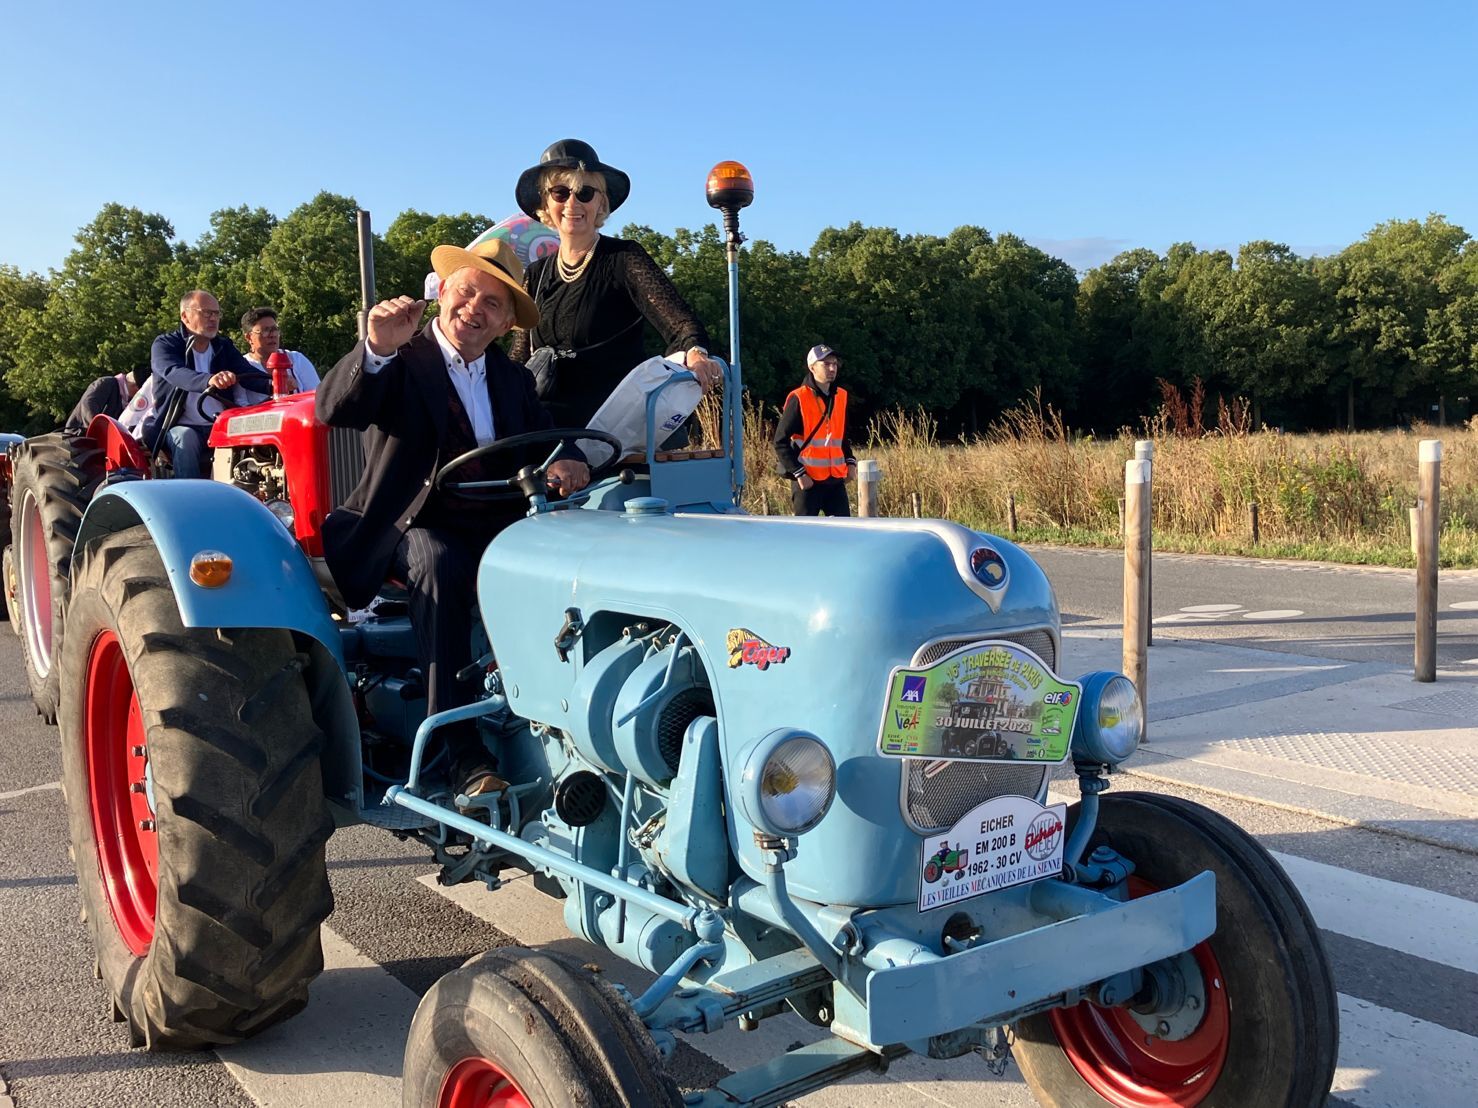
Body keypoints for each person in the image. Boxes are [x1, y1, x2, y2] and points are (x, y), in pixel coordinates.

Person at [316, 239, 589, 801]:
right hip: (410, 524)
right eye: (467, 292)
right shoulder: (400, 361)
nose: (475, 308)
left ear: (507, 322)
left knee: (578, 552)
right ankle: (461, 753)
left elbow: (546, 438)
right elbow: (335, 409)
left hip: (496, 524)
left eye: (493, 303)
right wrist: (376, 346)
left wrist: (570, 458)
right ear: (442, 292)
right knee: (438, 560)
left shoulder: (512, 379)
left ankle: (569, 723)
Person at [508, 139, 724, 429]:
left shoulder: (625, 258)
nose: (572, 203)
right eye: (560, 192)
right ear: (546, 202)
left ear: (601, 202)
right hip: (544, 424)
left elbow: (681, 324)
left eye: (585, 193)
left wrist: (696, 354)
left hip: (612, 427)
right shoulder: (534, 275)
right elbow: (519, 357)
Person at [140, 290, 270, 476]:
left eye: (216, 313)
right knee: (185, 438)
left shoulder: (223, 346)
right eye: (207, 313)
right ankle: (191, 493)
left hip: (219, 424)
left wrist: (274, 384)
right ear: (185, 316)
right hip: (179, 426)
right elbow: (174, 372)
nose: (213, 319)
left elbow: (247, 373)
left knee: (254, 435)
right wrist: (208, 379)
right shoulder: (165, 345)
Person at [774, 344, 857, 517]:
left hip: (835, 480)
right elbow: (780, 441)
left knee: (844, 530)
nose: (832, 368)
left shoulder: (841, 396)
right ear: (812, 367)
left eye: (834, 363)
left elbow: (842, 436)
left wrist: (850, 462)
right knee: (805, 532)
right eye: (826, 364)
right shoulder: (799, 397)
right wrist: (799, 473)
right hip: (808, 481)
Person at [240, 307, 320, 390]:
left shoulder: (296, 359)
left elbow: (316, 393)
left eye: (275, 329)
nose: (272, 335)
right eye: (265, 331)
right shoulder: (243, 366)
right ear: (249, 337)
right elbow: (240, 398)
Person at [64, 363, 150, 432]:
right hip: (78, 437)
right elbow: (88, 406)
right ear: (136, 387)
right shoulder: (106, 383)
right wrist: (103, 431)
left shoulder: (127, 399)